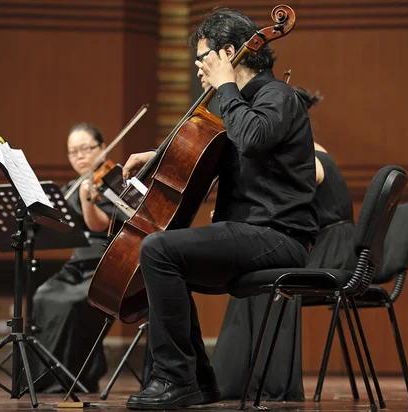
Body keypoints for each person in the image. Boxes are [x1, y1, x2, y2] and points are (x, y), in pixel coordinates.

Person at [120, 8, 319, 410]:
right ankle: (200, 380)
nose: (199, 69)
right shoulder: (237, 105)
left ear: (228, 53)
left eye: (203, 58)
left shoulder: (276, 95)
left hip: (280, 237)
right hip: (251, 234)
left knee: (159, 250)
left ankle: (175, 379)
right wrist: (161, 156)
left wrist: (226, 84)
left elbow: (252, 138)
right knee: (164, 255)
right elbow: (204, 159)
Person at [210, 87, 355, 402]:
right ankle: (244, 380)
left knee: (266, 274)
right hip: (326, 243)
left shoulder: (311, 153)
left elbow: (312, 176)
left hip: (334, 249)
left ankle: (257, 382)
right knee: (256, 273)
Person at [30, 123, 123, 393]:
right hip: (79, 263)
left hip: (109, 263)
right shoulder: (71, 187)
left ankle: (77, 375)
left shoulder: (118, 180)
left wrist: (88, 202)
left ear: (103, 148)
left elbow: (99, 226)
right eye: (73, 152)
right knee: (43, 295)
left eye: (86, 149)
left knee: (71, 302)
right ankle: (46, 378)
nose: (80, 156)